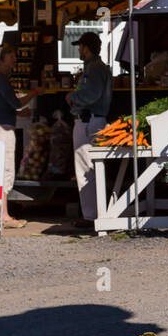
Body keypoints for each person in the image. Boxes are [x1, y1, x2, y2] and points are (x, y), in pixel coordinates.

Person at [68, 31, 112, 227]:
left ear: (86, 47)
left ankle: (91, 216)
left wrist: (72, 98)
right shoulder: (96, 67)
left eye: (80, 46)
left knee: (86, 168)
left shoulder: (94, 68)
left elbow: (91, 95)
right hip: (94, 120)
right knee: (93, 168)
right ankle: (96, 212)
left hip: (89, 121)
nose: (79, 50)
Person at [0, 44, 34, 229]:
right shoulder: (0, 79)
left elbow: (4, 106)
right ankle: (4, 215)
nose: (15, 59)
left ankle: (3, 213)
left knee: (3, 171)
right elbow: (14, 102)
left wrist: (18, 114)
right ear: (2, 58)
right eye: (11, 56)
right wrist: (35, 93)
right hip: (2, 131)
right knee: (5, 171)